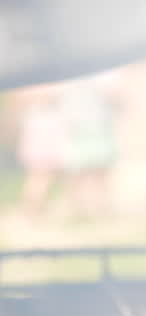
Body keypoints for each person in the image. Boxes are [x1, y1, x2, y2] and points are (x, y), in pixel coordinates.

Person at [62, 70, 122, 217]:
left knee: (89, 171)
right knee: (88, 171)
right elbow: (114, 96)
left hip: (86, 125)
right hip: (88, 125)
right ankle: (86, 208)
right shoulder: (104, 73)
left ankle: (92, 208)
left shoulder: (73, 71)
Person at [16, 83, 67, 216]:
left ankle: (37, 209)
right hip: (43, 133)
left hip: (41, 130)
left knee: (41, 175)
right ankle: (33, 210)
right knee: (40, 175)